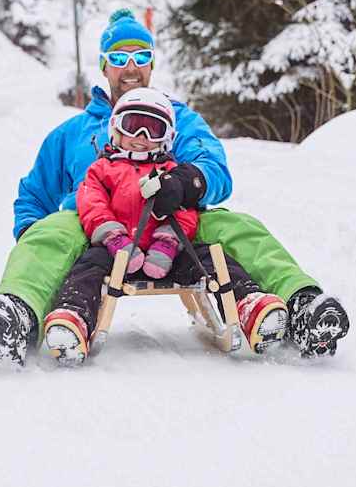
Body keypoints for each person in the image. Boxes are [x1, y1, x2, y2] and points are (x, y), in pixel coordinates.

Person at [0, 9, 351, 365]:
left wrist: (188, 181)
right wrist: (34, 240)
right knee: (52, 231)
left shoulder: (176, 118)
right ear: (104, 64)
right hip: (94, 228)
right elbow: (35, 194)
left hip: (173, 224)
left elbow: (213, 166)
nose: (131, 67)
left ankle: (301, 303)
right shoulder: (73, 132)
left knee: (237, 226)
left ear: (152, 64)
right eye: (119, 58)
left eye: (141, 56)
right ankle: (18, 311)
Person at [42, 88, 288, 365]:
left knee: (211, 259)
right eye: (133, 126)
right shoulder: (101, 169)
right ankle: (72, 316)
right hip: (116, 250)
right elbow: (91, 203)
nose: (142, 138)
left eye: (153, 129)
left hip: (169, 252)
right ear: (116, 130)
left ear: (167, 138)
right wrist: (112, 235)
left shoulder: (171, 172)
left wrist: (169, 241)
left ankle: (250, 303)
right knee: (87, 266)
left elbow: (188, 211)